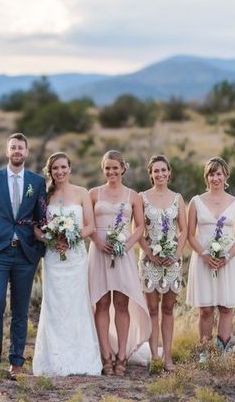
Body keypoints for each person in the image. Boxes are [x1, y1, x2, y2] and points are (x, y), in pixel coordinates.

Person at [0, 133, 47, 380]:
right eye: (13, 147)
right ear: (7, 152)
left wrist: (39, 248)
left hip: (25, 255)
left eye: (21, 148)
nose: (17, 151)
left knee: (20, 310)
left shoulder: (37, 182)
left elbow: (42, 217)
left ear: (26, 153)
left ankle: (16, 361)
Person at [32, 152, 102, 376]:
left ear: (70, 168)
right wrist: (51, 239)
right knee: (54, 304)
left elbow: (91, 226)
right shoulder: (44, 196)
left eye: (63, 167)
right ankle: (53, 360)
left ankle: (81, 359)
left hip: (75, 257)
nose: (59, 172)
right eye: (55, 168)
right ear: (50, 171)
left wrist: (70, 239)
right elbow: (35, 228)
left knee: (76, 303)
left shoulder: (82, 193)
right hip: (53, 258)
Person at [88, 150, 150, 376]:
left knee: (122, 304)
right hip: (99, 252)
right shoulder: (93, 194)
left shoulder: (133, 196)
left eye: (115, 167)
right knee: (102, 303)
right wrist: (96, 241)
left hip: (123, 253)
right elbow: (88, 224)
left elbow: (140, 226)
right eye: (107, 168)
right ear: (102, 169)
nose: (111, 172)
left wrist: (127, 245)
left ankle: (122, 355)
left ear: (123, 168)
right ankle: (105, 355)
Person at [186, 157, 235, 357]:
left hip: (228, 262)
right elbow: (189, 235)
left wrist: (227, 256)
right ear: (207, 177)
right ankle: (204, 354)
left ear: (226, 175)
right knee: (205, 310)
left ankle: (222, 355)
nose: (215, 178)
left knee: (226, 308)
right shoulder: (196, 202)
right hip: (204, 261)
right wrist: (204, 255)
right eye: (211, 174)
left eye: (219, 173)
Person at [138, 155, 187, 371]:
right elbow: (137, 230)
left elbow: (184, 230)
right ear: (151, 174)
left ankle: (167, 358)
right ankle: (154, 358)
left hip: (173, 259)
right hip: (149, 259)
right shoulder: (142, 198)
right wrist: (149, 253)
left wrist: (175, 254)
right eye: (155, 171)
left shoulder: (178, 198)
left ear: (169, 173)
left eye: (163, 170)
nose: (160, 174)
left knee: (168, 308)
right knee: (152, 309)